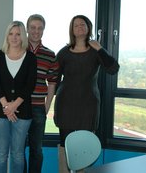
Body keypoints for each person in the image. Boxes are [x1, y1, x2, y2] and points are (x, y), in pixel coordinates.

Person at [54, 15, 119, 172]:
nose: (79, 27)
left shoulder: (96, 51)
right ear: (72, 30)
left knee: (84, 143)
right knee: (66, 142)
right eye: (76, 25)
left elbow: (113, 69)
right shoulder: (63, 53)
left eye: (82, 24)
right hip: (66, 104)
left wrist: (100, 48)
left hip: (89, 104)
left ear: (88, 27)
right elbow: (54, 80)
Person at [0, 21, 37, 173]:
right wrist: (6, 106)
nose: (14, 37)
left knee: (17, 154)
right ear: (7, 36)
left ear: (23, 36)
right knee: (1, 154)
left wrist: (14, 106)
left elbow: (30, 85)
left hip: (23, 113)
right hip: (0, 112)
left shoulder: (30, 58)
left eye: (18, 34)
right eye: (11, 34)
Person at [26, 14, 58, 173]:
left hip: (38, 108)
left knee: (36, 150)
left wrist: (47, 106)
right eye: (32, 27)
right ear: (27, 28)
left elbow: (52, 83)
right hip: (19, 108)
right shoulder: (17, 49)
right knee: (17, 151)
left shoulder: (50, 54)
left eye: (39, 28)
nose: (36, 31)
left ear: (43, 30)